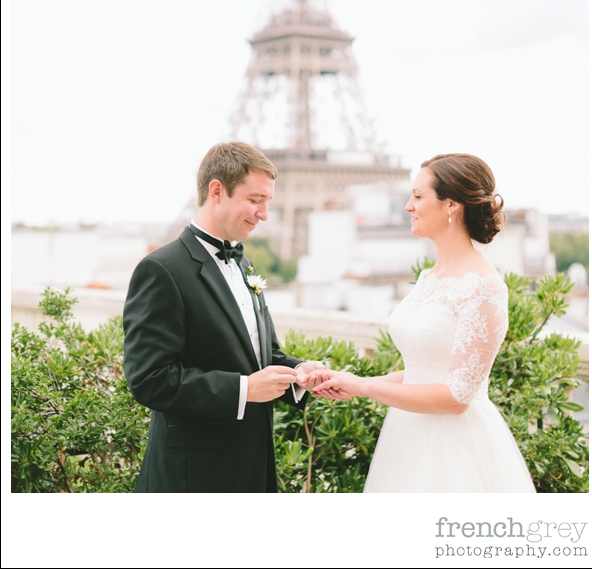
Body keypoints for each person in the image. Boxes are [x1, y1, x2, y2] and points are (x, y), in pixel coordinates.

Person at [308, 153, 536, 493]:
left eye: (417, 196)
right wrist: (354, 381)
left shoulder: (484, 286)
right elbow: (425, 369)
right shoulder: (430, 277)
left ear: (451, 205)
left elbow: (457, 396)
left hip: (455, 449)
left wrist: (364, 387)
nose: (407, 206)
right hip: (405, 433)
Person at [123, 141, 324, 493]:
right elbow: (149, 379)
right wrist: (245, 390)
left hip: (253, 469)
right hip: (194, 477)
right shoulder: (161, 270)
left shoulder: (245, 264)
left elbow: (260, 356)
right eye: (255, 200)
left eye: (267, 202)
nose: (264, 213)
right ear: (217, 190)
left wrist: (298, 372)